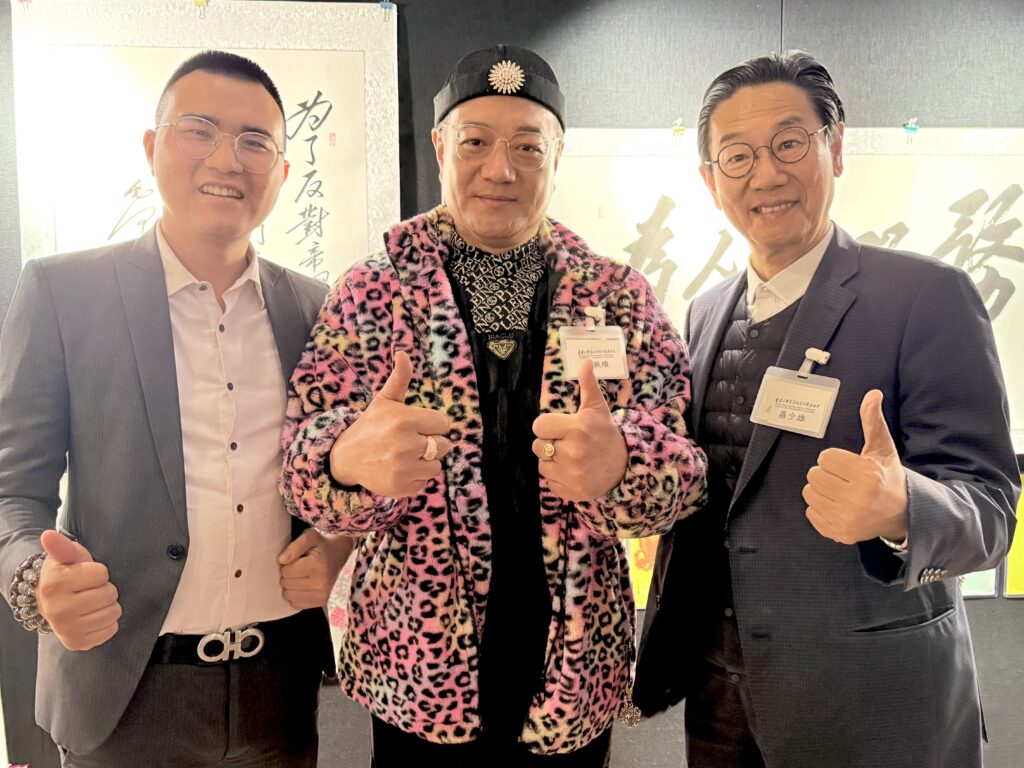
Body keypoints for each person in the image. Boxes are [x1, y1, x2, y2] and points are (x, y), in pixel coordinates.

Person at [280, 44, 707, 767]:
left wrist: (624, 466)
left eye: (527, 147)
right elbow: (300, 470)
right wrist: (345, 462)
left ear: (558, 156)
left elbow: (684, 477)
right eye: (475, 142)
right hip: (417, 666)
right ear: (440, 147)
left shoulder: (616, 295)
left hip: (572, 667)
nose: (500, 169)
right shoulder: (372, 292)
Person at [632, 50, 1020, 767]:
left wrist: (903, 509)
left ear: (834, 148)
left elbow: (991, 512)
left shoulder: (927, 297)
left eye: (789, 143)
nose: (766, 175)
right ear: (710, 180)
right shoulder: (705, 312)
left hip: (871, 703)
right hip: (719, 702)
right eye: (737, 155)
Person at [0, 50, 353, 767]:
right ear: (152, 147)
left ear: (284, 171)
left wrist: (335, 547)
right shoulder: (65, 293)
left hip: (278, 693)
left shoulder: (316, 308)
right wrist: (36, 578)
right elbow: (11, 491)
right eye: (199, 130)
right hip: (124, 691)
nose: (227, 159)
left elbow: (336, 476)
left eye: (255, 141)